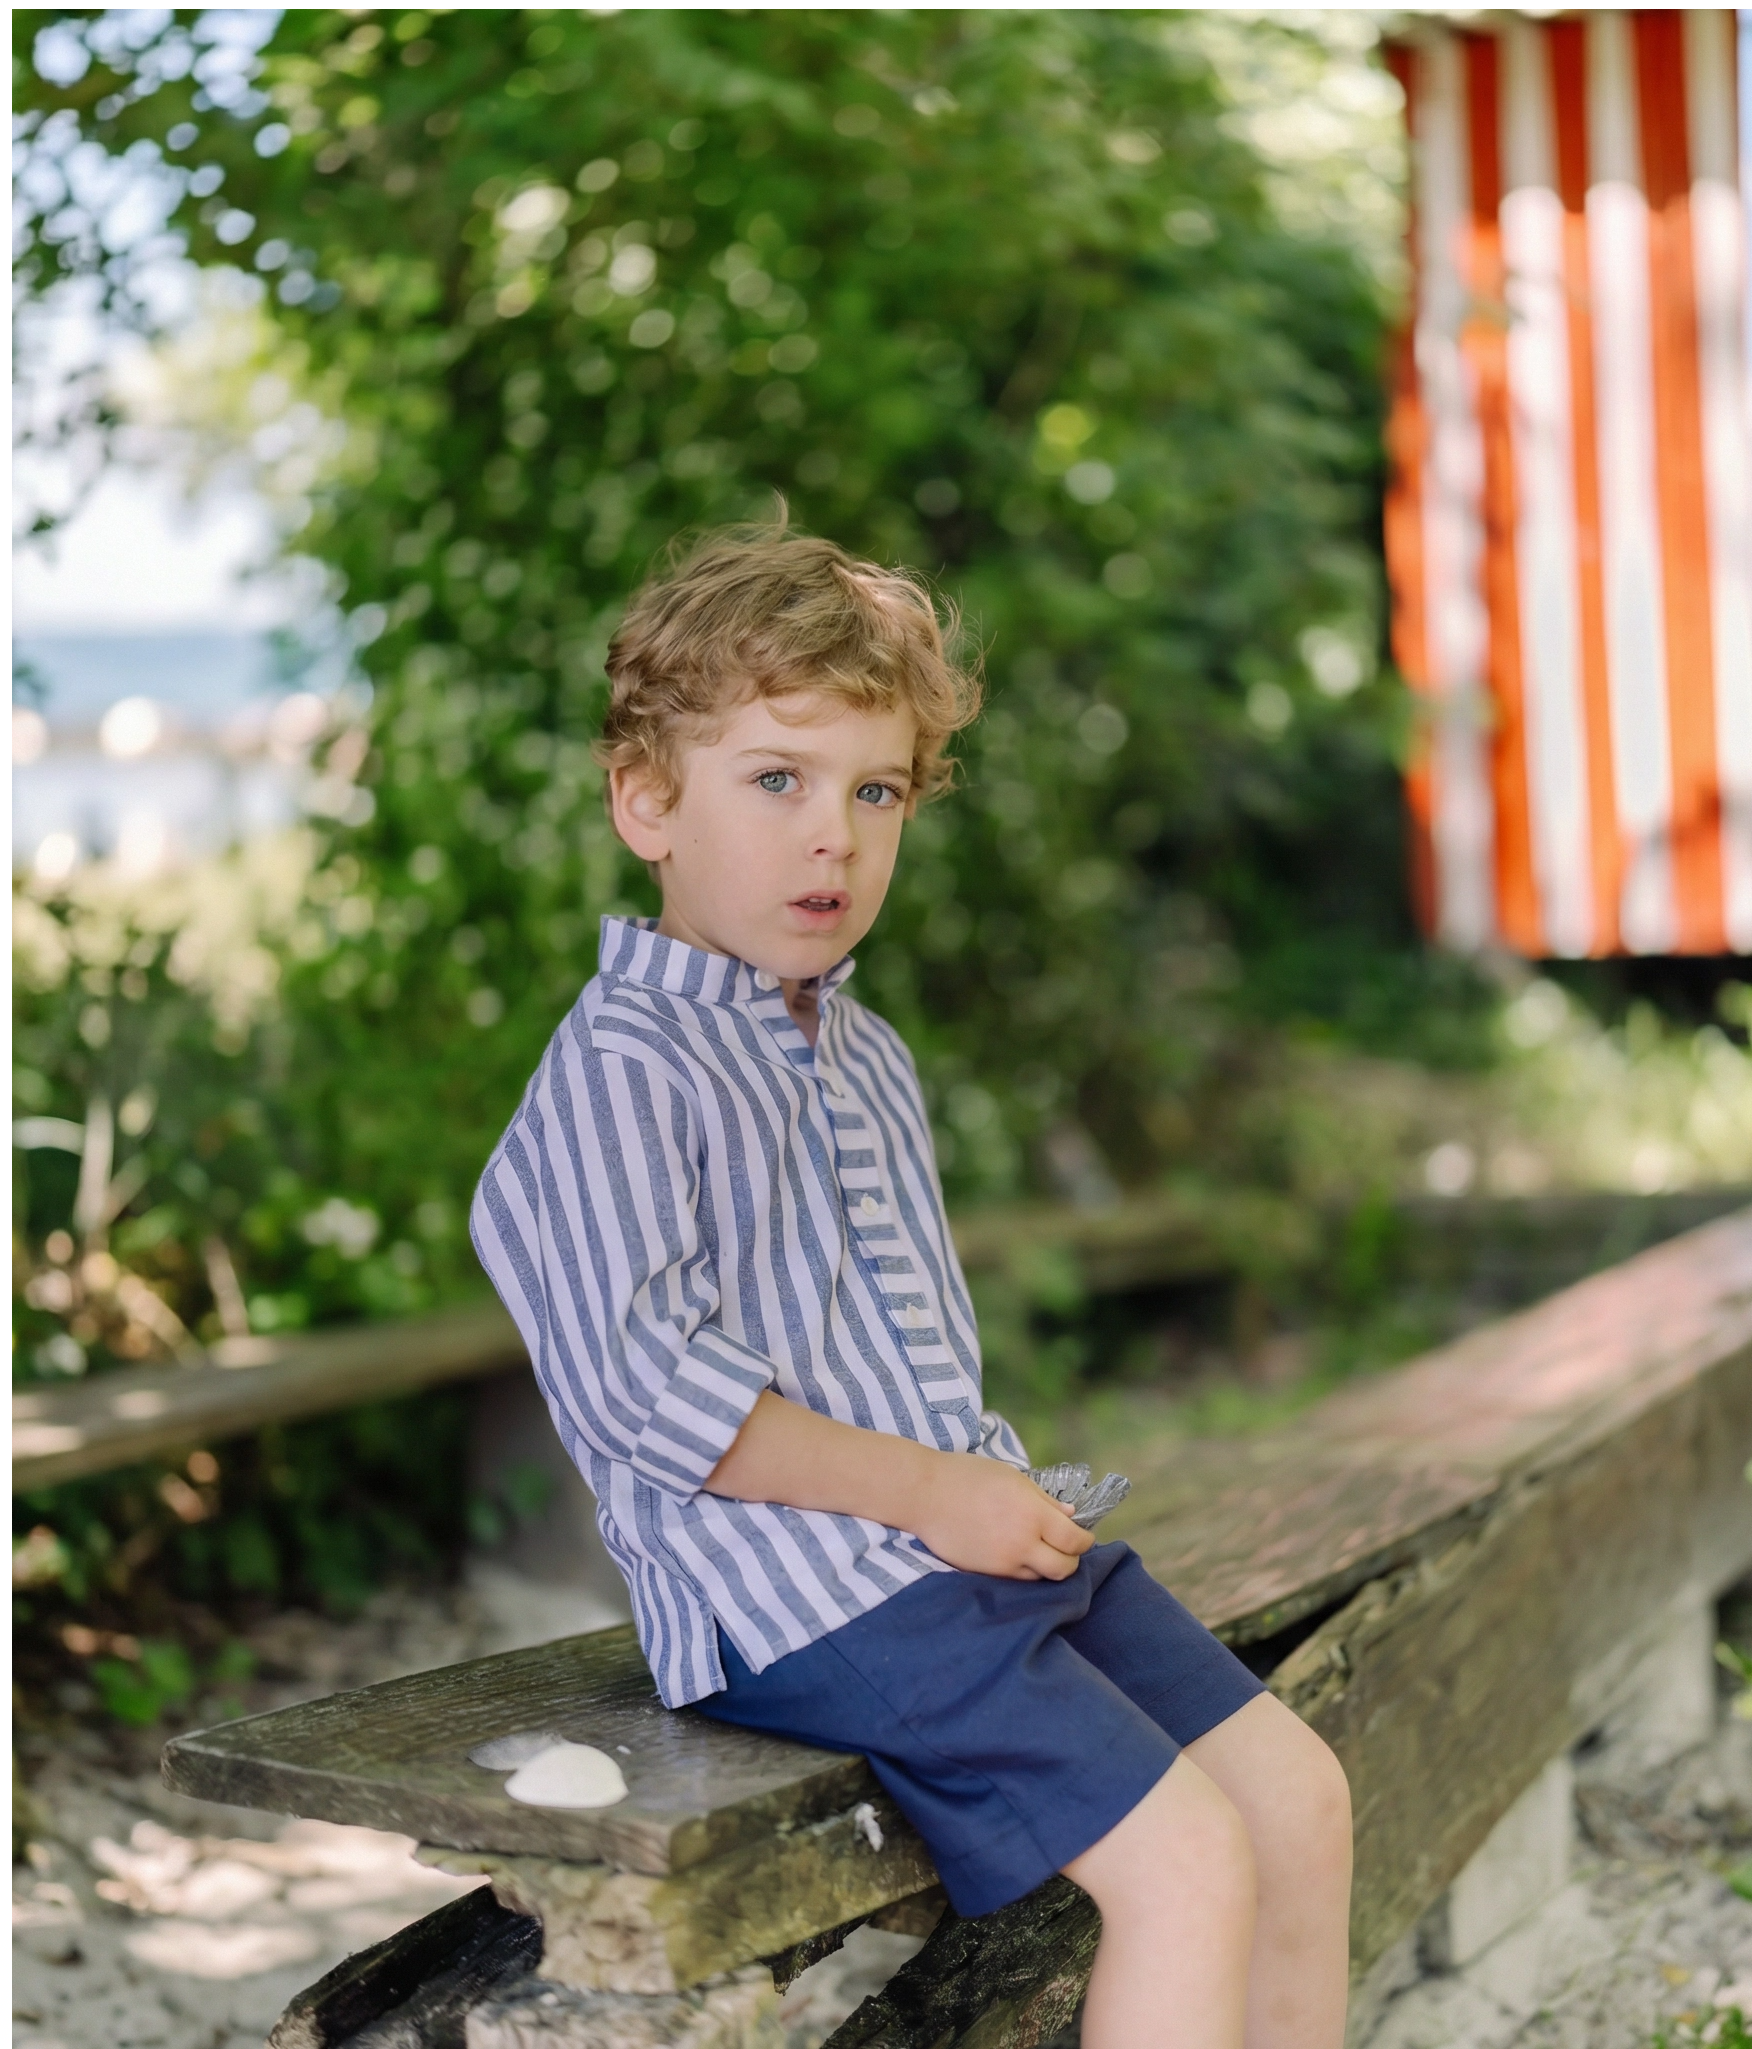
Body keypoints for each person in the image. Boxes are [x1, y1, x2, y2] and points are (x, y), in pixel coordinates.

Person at [471, 522, 1352, 2047]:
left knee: (1298, 1795)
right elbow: (642, 1395)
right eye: (778, 780)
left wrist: (967, 1494)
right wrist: (934, 1494)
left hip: (951, 1550)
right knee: (1188, 1864)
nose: (834, 836)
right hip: (805, 1603)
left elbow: (908, 1355)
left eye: (874, 792)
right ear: (646, 802)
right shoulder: (621, 1069)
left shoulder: (861, 1054)